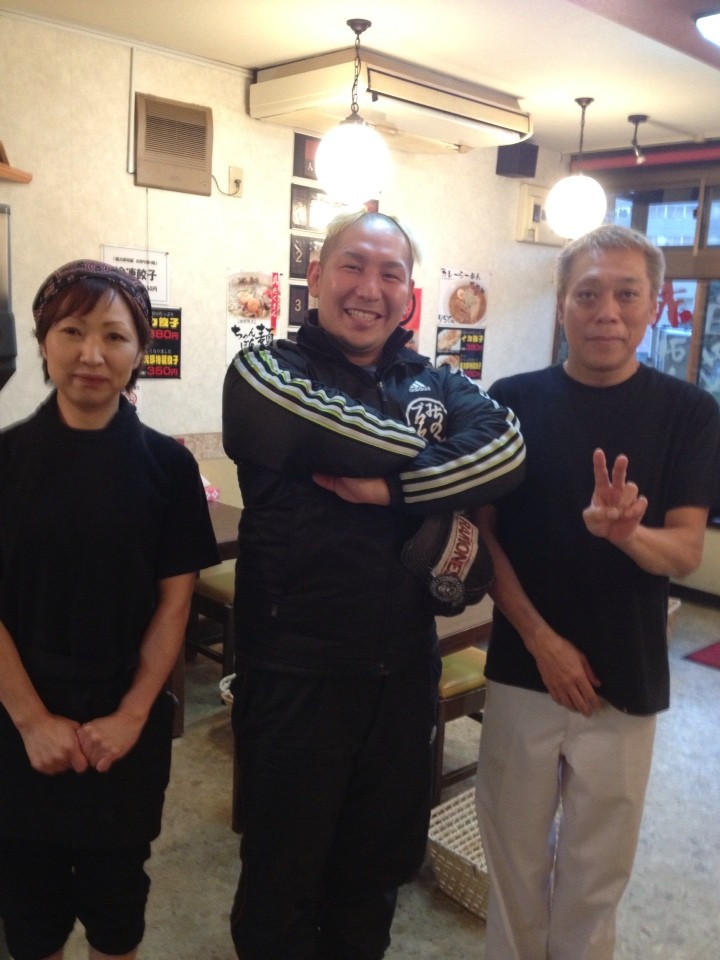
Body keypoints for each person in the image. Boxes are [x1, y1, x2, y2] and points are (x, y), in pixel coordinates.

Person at [222, 210, 526, 960]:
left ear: (409, 294)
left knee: (374, 878)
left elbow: (508, 449)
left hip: (403, 673)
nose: (370, 288)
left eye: (391, 274)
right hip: (295, 673)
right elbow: (370, 439)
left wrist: (391, 491)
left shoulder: (439, 380)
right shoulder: (264, 373)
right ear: (316, 277)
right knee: (280, 881)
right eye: (352, 266)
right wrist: (443, 464)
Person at [473, 224, 720, 960]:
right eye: (587, 294)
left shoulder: (689, 412)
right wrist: (541, 640)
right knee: (511, 863)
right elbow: (484, 538)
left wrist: (627, 536)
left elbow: (684, 550)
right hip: (523, 666)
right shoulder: (511, 400)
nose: (606, 311)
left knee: (595, 875)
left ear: (655, 305)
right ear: (561, 305)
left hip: (627, 672)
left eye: (626, 294)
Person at [0, 260, 219, 960]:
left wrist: (130, 716)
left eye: (114, 336)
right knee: (28, 912)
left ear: (139, 353)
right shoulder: (5, 459)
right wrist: (31, 720)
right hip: (16, 717)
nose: (92, 354)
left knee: (118, 907)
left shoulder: (169, 467)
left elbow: (174, 602)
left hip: (126, 723)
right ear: (43, 342)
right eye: (72, 330)